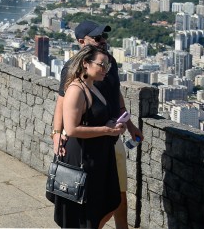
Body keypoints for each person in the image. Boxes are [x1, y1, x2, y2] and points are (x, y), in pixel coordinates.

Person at [52, 20, 144, 229]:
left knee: (118, 194)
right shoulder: (73, 70)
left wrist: (130, 125)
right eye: (97, 38)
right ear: (82, 42)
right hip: (91, 142)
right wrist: (56, 134)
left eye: (104, 36)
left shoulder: (108, 63)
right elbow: (62, 102)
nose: (103, 41)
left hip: (111, 137)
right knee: (97, 200)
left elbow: (116, 96)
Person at [53, 44, 124, 228]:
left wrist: (115, 125)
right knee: (84, 214)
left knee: (105, 206)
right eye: (102, 65)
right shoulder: (76, 90)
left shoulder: (93, 87)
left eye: (108, 65)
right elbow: (72, 129)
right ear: (86, 63)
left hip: (98, 155)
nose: (105, 69)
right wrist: (107, 130)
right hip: (83, 158)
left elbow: (96, 117)